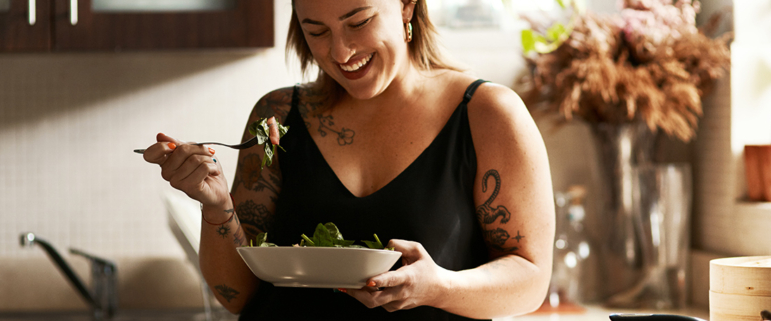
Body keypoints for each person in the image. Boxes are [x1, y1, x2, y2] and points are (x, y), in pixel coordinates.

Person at [142, 0, 555, 319]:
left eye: (358, 22)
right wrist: (216, 207)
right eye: (316, 31)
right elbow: (237, 296)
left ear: (407, 5)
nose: (340, 52)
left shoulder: (487, 115)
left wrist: (437, 287)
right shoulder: (278, 116)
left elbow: (531, 280)